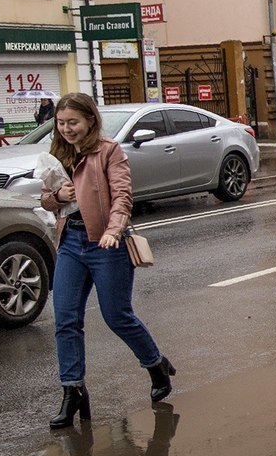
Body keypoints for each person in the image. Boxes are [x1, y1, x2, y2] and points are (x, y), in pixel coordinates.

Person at [41, 93, 175, 430]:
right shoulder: (56, 153)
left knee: (117, 316)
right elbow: (44, 199)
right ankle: (72, 391)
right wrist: (58, 196)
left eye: (73, 122)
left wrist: (114, 230)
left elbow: (122, 196)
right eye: (61, 123)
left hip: (106, 243)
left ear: (89, 120)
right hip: (70, 242)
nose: (67, 129)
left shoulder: (109, 151)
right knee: (65, 321)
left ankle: (155, 364)